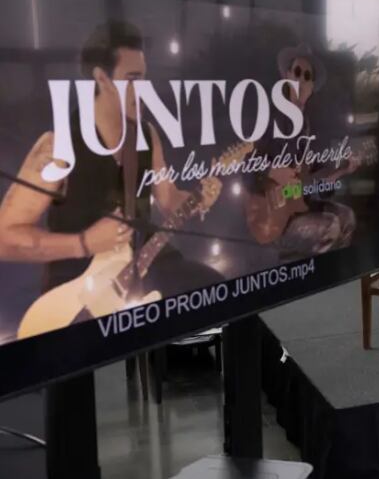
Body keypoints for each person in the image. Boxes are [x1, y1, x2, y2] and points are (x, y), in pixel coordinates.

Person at [0, 20, 223, 333]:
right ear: (102, 79)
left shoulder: (147, 135)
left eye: (143, 78)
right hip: (80, 288)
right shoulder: (58, 145)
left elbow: (169, 200)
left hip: (148, 262)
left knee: (216, 289)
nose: (141, 90)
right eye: (131, 80)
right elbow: (5, 238)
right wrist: (83, 243)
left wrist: (199, 198)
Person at [245, 43, 357, 258]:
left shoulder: (307, 128)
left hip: (295, 204)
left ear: (312, 86)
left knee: (347, 216)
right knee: (330, 225)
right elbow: (243, 170)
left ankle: (327, 277)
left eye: (307, 76)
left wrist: (340, 172)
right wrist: (271, 171)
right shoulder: (269, 119)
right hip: (269, 220)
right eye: (297, 72)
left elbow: (310, 186)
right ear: (287, 75)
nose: (301, 80)